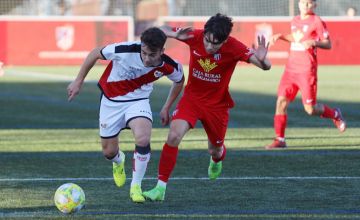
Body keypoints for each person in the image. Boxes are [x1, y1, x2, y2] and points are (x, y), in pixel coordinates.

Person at [143, 13, 271, 201]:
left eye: (215, 43)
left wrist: (262, 59)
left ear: (225, 40)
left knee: (215, 150)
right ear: (204, 33)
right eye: (207, 41)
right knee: (173, 136)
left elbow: (265, 66)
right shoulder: (194, 35)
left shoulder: (235, 47)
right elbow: (159, 30)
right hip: (192, 99)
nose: (210, 46)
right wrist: (173, 34)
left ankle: (217, 158)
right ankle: (160, 188)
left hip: (217, 106)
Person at [67, 27, 184, 203]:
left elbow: (180, 80)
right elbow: (95, 53)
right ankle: (118, 160)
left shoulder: (169, 65)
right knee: (108, 152)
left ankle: (135, 186)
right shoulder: (125, 50)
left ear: (162, 51)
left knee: (143, 139)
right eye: (144, 52)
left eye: (152, 54)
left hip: (138, 101)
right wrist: (78, 81)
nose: (146, 58)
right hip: (111, 102)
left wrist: (167, 106)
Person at [266, 0, 346, 149]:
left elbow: (328, 44)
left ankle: (335, 114)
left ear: (315, 5)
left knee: (310, 109)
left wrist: (314, 43)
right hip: (290, 70)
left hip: (306, 71)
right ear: (299, 3)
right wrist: (281, 36)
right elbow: (296, 37)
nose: (306, 6)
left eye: (310, 3)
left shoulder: (317, 21)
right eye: (304, 2)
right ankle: (280, 140)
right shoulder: (295, 20)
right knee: (281, 102)